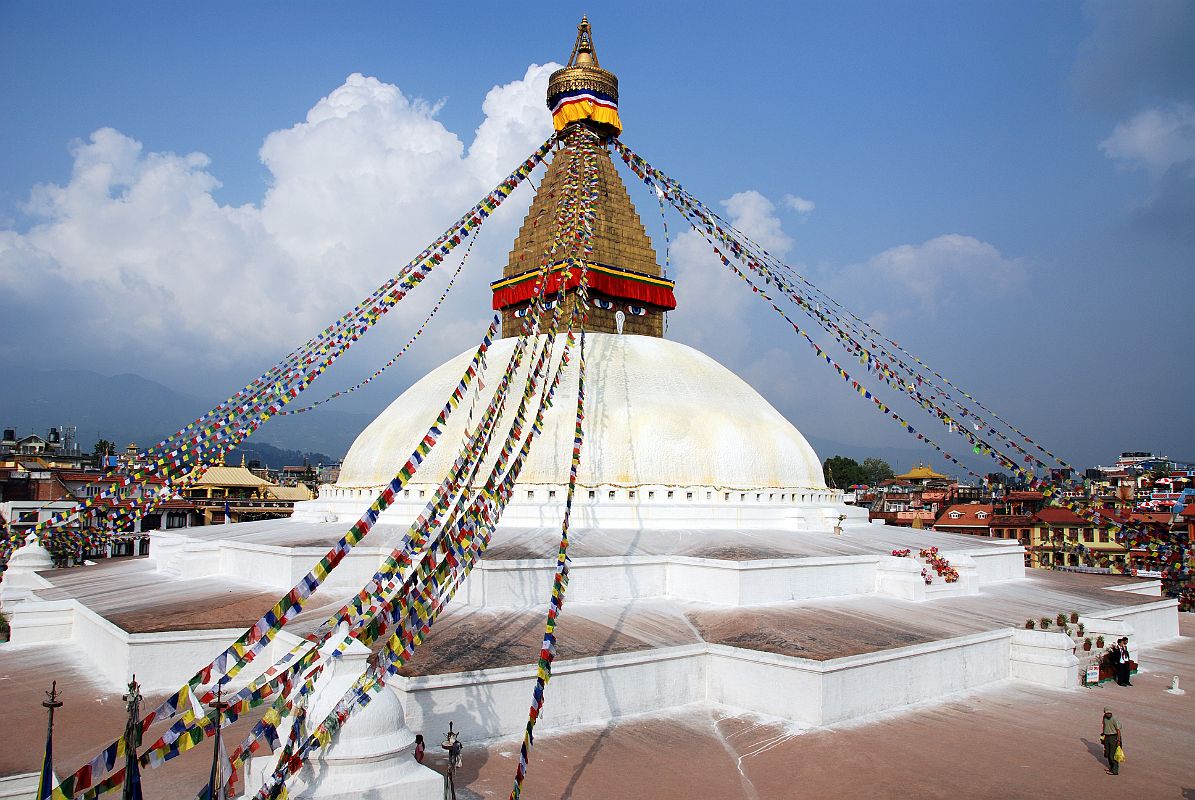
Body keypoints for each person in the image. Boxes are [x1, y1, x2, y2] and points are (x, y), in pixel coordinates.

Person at [1100, 707, 1122, 775]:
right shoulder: (1104, 718)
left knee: (1112, 755)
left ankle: (1115, 771)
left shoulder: (1114, 719)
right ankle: (1111, 767)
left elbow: (1118, 730)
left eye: (1109, 713)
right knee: (1107, 753)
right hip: (1107, 737)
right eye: (1107, 713)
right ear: (1105, 713)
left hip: (1114, 737)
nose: (1108, 714)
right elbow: (1104, 725)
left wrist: (1118, 740)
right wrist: (1103, 733)